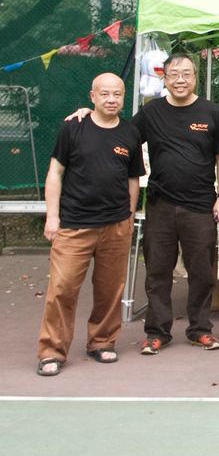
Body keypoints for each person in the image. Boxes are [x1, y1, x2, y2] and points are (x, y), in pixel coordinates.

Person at [36, 73, 145, 376]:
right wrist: (52, 216)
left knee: (110, 290)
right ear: (92, 96)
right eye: (105, 94)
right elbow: (55, 173)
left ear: (123, 97)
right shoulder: (73, 127)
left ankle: (102, 341)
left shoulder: (130, 133)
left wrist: (128, 215)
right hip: (74, 225)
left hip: (116, 226)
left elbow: (133, 179)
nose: (111, 100)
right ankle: (51, 351)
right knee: (62, 289)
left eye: (117, 94)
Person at [133, 53, 219, 354]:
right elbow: (121, 136)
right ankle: (157, 332)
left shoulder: (212, 112)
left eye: (186, 73)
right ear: (164, 78)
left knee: (202, 272)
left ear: (196, 77)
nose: (180, 80)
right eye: (174, 74)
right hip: (160, 204)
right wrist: (88, 114)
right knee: (158, 272)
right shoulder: (151, 112)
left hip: (200, 205)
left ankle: (200, 329)